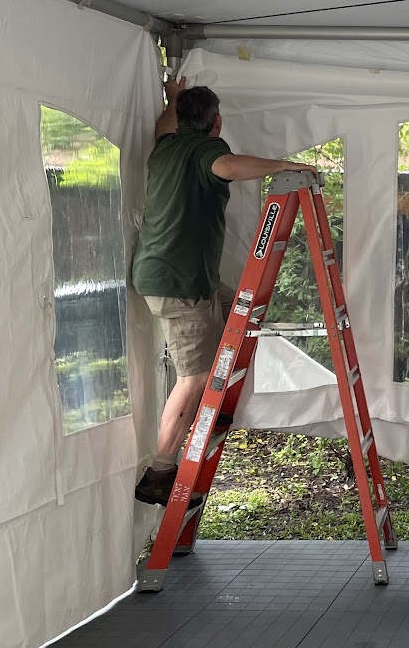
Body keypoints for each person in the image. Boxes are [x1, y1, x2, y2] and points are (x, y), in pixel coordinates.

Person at [131, 75, 312, 505]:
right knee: (192, 379)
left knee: (240, 310)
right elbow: (227, 167)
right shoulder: (207, 151)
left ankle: (214, 408)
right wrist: (283, 167)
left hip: (181, 275)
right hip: (180, 284)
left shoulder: (167, 145)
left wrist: (173, 99)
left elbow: (163, 125)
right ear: (216, 122)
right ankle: (159, 473)